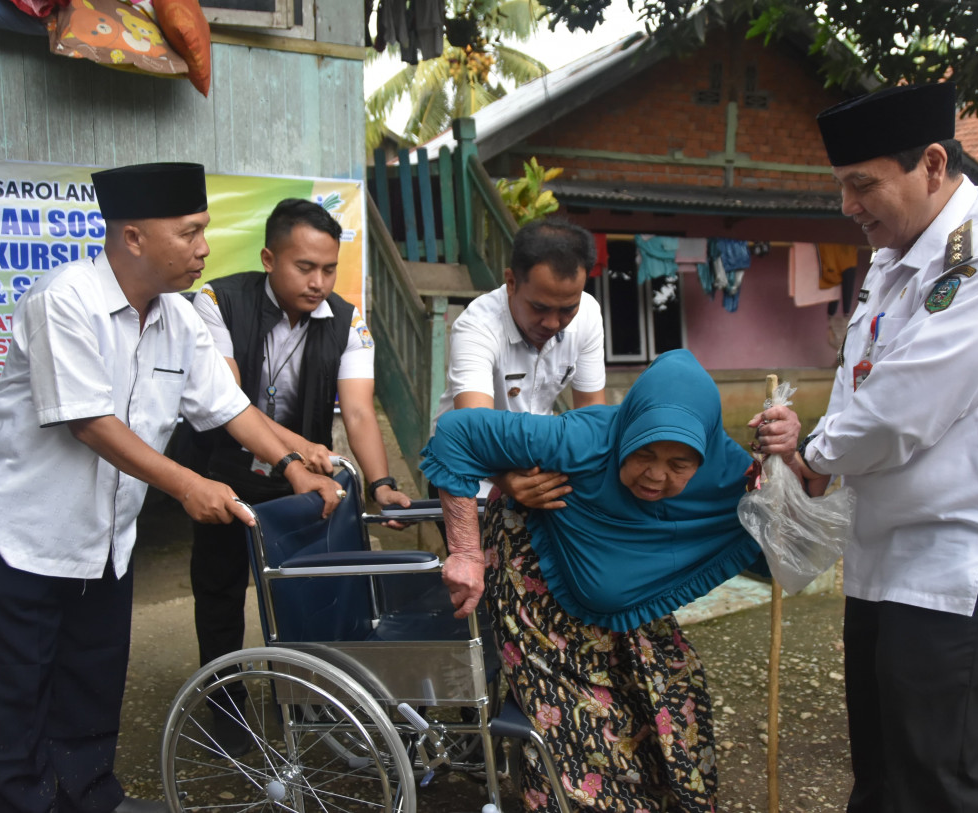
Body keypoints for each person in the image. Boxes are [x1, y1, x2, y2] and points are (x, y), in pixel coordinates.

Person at [0, 163, 340, 813]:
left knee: (90, 690)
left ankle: (91, 796)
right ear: (133, 237)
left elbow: (231, 407)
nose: (204, 248)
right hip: (19, 537)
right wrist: (189, 483)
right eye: (189, 232)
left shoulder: (179, 320)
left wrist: (294, 462)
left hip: (105, 544)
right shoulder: (64, 300)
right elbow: (87, 421)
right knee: (13, 706)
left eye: (205, 230)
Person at [755, 84, 978, 812]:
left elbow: (901, 408)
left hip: (961, 563)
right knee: (881, 769)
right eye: (841, 186)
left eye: (862, 184)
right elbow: (860, 383)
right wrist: (820, 455)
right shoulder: (893, 259)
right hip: (888, 553)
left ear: (932, 164)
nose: (847, 206)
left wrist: (813, 455)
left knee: (938, 780)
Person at [423, 349, 798, 813]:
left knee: (674, 684)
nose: (657, 475)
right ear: (629, 431)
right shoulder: (581, 437)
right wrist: (464, 551)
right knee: (588, 711)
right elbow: (456, 435)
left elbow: (793, 529)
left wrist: (789, 461)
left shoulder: (726, 469)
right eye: (644, 453)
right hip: (537, 577)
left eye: (680, 464)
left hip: (623, 601)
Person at [186, 198, 412, 750]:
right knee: (218, 592)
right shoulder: (216, 301)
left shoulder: (347, 318)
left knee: (306, 592)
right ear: (269, 258)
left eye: (329, 268)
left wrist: (382, 485)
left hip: (300, 478)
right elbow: (227, 401)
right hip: (226, 468)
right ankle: (227, 712)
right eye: (303, 267)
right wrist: (297, 450)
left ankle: (313, 700)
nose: (318, 282)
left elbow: (357, 411)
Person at [431, 217, 606, 508]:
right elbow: (476, 428)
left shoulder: (588, 313)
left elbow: (592, 417)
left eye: (567, 309)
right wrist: (505, 480)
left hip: (539, 468)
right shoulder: (477, 326)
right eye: (539, 307)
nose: (552, 323)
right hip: (469, 474)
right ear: (511, 282)